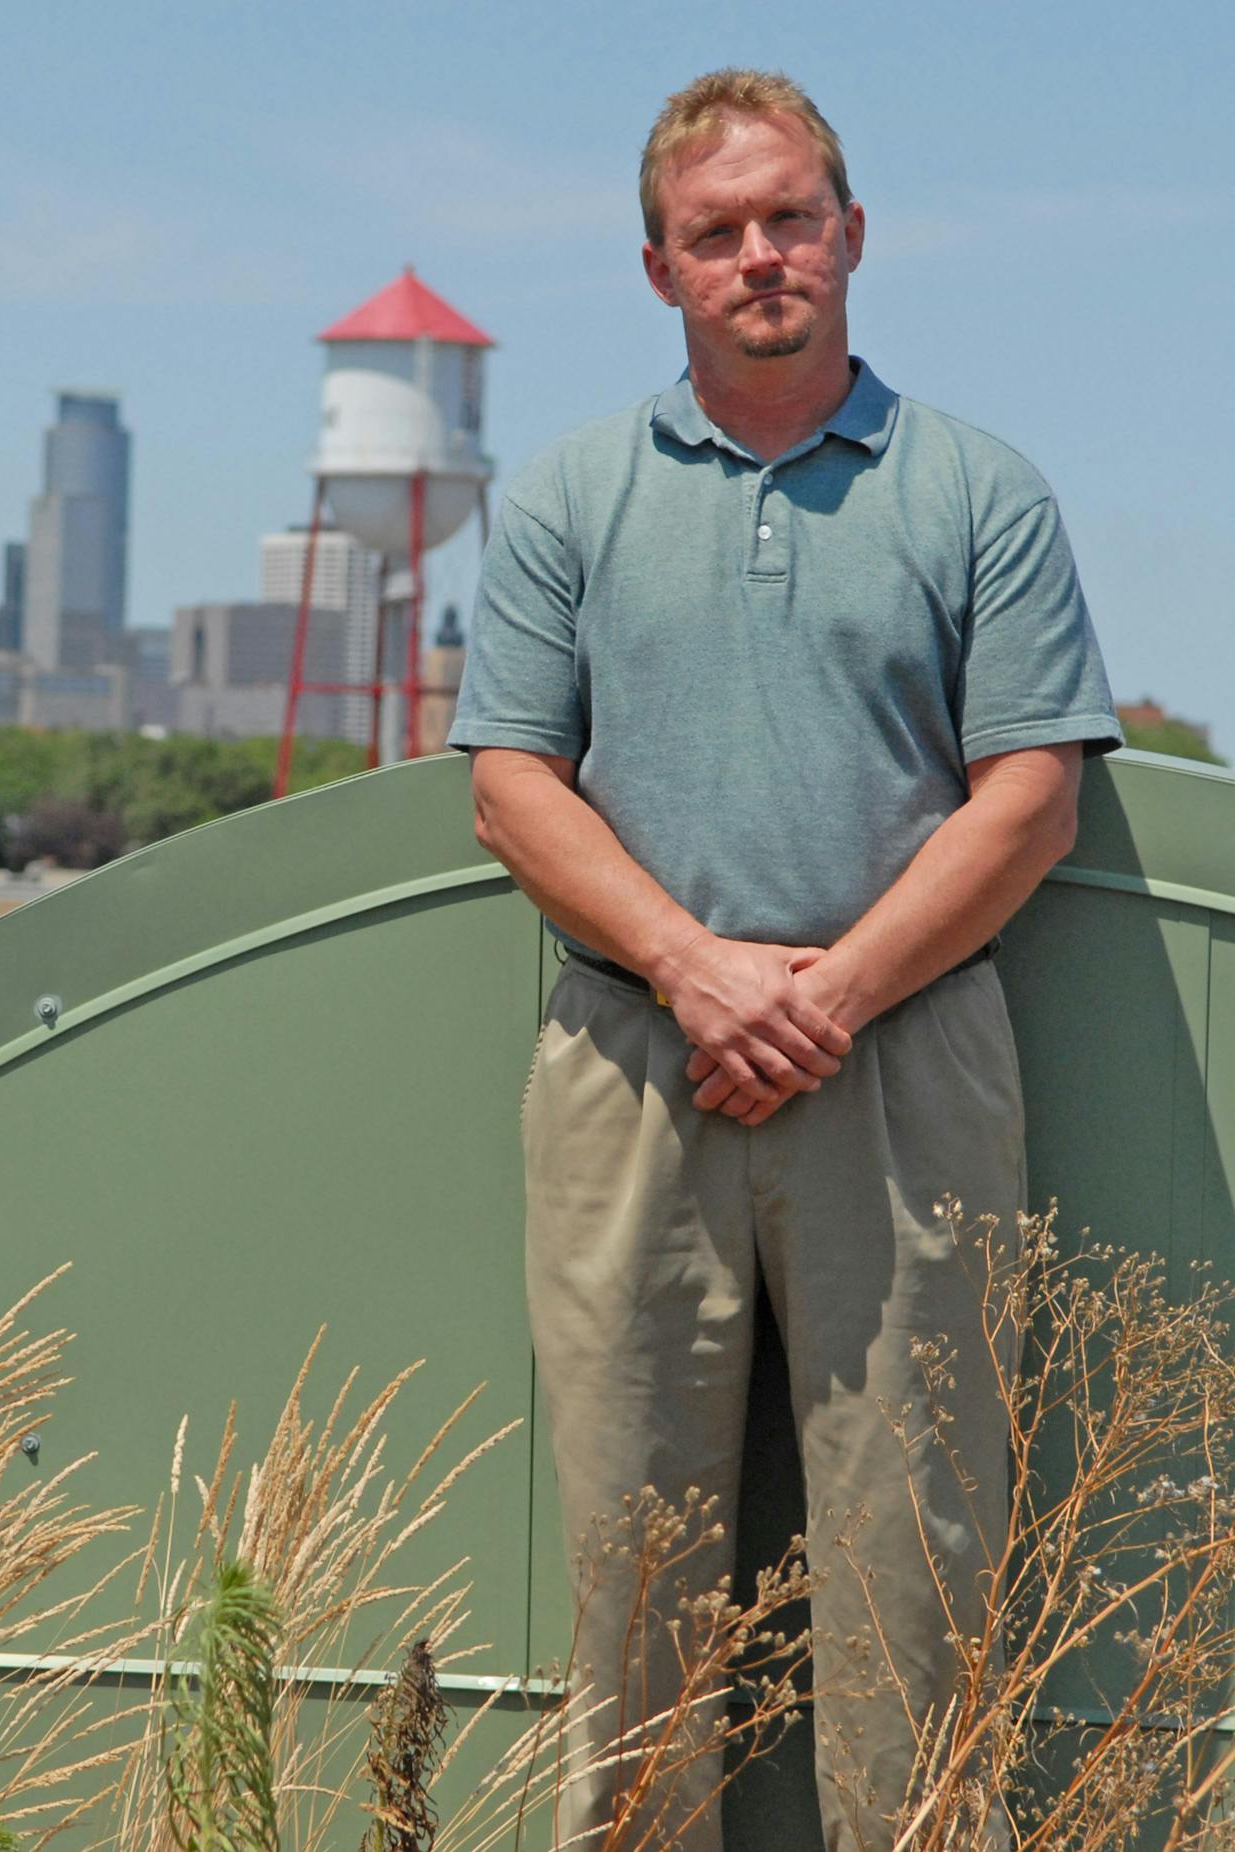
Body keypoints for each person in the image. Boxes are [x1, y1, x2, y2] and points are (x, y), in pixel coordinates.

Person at [449, 68, 1121, 1850]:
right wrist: (693, 969)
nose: (760, 255)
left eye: (790, 218)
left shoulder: (979, 491)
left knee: (920, 1576)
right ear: (658, 269)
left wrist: (825, 997)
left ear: (853, 235)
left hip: (905, 1073)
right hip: (631, 1068)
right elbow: (511, 787)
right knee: (630, 1578)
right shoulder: (569, 497)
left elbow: (1032, 798)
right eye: (716, 232)